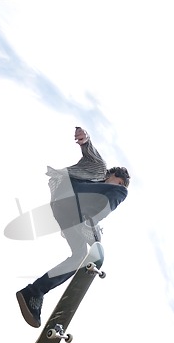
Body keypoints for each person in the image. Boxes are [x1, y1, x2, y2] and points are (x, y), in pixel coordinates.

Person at [16, 126, 130, 328]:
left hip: (68, 213)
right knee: (120, 195)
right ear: (110, 175)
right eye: (117, 182)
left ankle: (33, 293)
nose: (117, 186)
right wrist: (85, 139)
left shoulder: (101, 196)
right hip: (69, 192)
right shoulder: (99, 169)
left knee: (79, 257)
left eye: (120, 184)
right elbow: (89, 151)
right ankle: (90, 223)